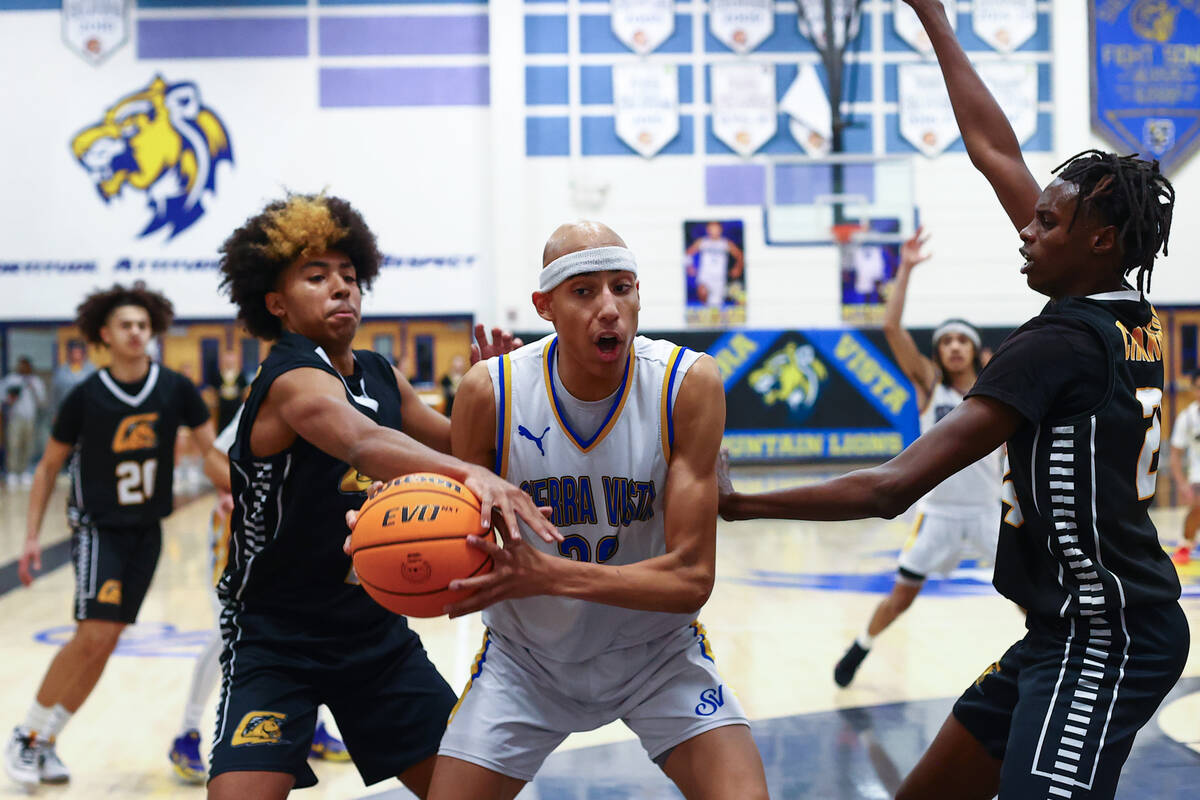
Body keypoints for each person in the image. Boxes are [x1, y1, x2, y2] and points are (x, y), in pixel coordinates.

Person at [720, 2, 1184, 796]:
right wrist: (932, 16)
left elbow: (892, 487)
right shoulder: (1125, 309)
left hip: (1109, 635)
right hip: (1061, 630)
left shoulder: (1059, 344)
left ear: (1097, 240)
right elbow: (995, 149)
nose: (1025, 232)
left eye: (1045, 222)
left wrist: (737, 505)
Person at [209, 193, 552, 800]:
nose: (341, 288)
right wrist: (480, 478)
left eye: (348, 275)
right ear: (277, 303)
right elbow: (365, 444)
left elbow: (462, 450)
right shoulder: (290, 379)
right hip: (276, 632)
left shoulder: (379, 373)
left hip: (374, 631)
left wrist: (491, 401)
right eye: (317, 277)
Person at [420, 221, 768, 800]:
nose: (610, 308)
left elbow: (690, 579)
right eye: (584, 291)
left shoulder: (685, 384)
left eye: (622, 287)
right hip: (526, 662)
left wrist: (549, 574)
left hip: (655, 656)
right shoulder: (492, 392)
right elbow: (457, 529)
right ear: (546, 305)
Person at [5, 284, 215, 790]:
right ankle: (26, 734)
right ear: (105, 333)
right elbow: (48, 466)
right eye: (127, 325)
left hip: (147, 530)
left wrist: (244, 487)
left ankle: (50, 738)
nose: (137, 333)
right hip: (98, 528)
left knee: (108, 640)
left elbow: (211, 453)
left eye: (144, 325)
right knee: (93, 634)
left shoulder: (175, 389)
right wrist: (32, 537)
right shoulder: (86, 395)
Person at [832, 227, 1001, 687]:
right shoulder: (930, 387)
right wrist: (904, 268)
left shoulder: (997, 392)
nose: (952, 346)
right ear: (938, 353)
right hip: (939, 514)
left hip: (989, 513)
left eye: (960, 340)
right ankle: (861, 646)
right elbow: (891, 328)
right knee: (903, 596)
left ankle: (1051, 652)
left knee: (1026, 592)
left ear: (975, 350)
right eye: (945, 341)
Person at [167, 405, 348, 784]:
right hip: (241, 539)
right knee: (227, 632)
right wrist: (245, 493)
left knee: (309, 624)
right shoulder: (276, 393)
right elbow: (213, 463)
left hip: (296, 544)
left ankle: (314, 726)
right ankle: (186, 733)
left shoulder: (345, 395)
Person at [1168, 371, 1200, 565]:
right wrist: (1181, 484)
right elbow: (1175, 454)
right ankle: (1185, 543)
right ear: (1193, 389)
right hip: (1198, 473)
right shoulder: (1186, 418)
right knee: (1198, 504)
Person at [2, 356, 47, 488]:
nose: (23, 368)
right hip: (15, 417)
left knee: (28, 446)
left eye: (26, 365)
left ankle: (25, 471)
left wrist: (33, 388)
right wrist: (10, 397)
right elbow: (2, 396)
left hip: (30, 419)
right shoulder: (11, 379)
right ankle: (12, 472)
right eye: (21, 365)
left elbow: (42, 402)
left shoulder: (36, 381)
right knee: (14, 445)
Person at [685, 221, 743, 308]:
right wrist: (689, 267)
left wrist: (738, 268)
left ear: (720, 230)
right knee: (702, 291)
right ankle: (704, 307)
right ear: (708, 230)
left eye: (716, 229)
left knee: (715, 305)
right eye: (711, 229)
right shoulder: (702, 242)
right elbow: (688, 253)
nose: (714, 231)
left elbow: (740, 256)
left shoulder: (725, 243)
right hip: (705, 276)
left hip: (719, 278)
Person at [49, 340, 96, 419]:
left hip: (86, 412)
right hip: (66, 412)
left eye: (79, 352)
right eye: (73, 352)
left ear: (83, 353)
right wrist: (54, 413)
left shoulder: (91, 371)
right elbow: (55, 394)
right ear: (69, 353)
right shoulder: (61, 371)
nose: (76, 355)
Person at [210, 350, 248, 432]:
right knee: (223, 427)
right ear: (223, 360)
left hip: (236, 405)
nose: (229, 361)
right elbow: (214, 390)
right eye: (227, 360)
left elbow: (244, 391)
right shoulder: (219, 374)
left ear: (235, 360)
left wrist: (245, 404)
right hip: (223, 406)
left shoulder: (240, 374)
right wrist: (214, 402)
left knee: (236, 426)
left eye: (231, 359)